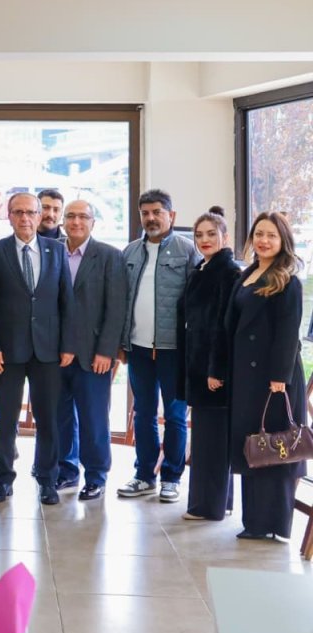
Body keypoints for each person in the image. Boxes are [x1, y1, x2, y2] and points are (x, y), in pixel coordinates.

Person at [0, 192, 75, 505]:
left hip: (48, 351)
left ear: (40, 216)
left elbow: (67, 302)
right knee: (6, 419)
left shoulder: (56, 250)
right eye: (18, 212)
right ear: (9, 216)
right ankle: (3, 480)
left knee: (48, 419)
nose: (25, 218)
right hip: (7, 352)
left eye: (30, 212)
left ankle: (47, 481)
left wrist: (68, 345)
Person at [226, 212, 306, 541]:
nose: (263, 240)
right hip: (246, 376)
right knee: (254, 447)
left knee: (275, 448)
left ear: (283, 241)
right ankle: (254, 522)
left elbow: (288, 333)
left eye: (271, 235)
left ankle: (272, 523)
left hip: (274, 379)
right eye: (259, 233)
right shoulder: (247, 275)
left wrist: (278, 378)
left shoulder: (287, 280)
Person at [117, 189, 201, 503]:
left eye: (157, 212)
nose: (151, 218)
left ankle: (171, 477)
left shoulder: (187, 251)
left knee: (176, 416)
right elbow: (121, 300)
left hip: (174, 350)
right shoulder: (129, 253)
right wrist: (120, 343)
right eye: (145, 213)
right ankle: (143, 475)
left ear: (171, 216)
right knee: (142, 414)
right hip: (138, 348)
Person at [55, 200, 126, 501]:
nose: (76, 221)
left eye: (83, 216)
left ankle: (96, 475)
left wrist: (107, 351)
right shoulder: (52, 252)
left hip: (93, 354)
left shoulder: (109, 256)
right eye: (70, 216)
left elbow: (117, 306)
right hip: (56, 354)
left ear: (93, 222)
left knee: (94, 418)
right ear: (62, 221)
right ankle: (66, 470)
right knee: (60, 417)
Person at [179, 211, 241, 521]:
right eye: (199, 235)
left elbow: (222, 326)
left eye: (211, 234)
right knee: (208, 439)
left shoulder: (227, 272)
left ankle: (208, 506)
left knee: (211, 442)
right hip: (199, 366)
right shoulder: (201, 269)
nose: (204, 240)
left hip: (213, 372)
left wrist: (217, 370)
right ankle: (221, 502)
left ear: (225, 237)